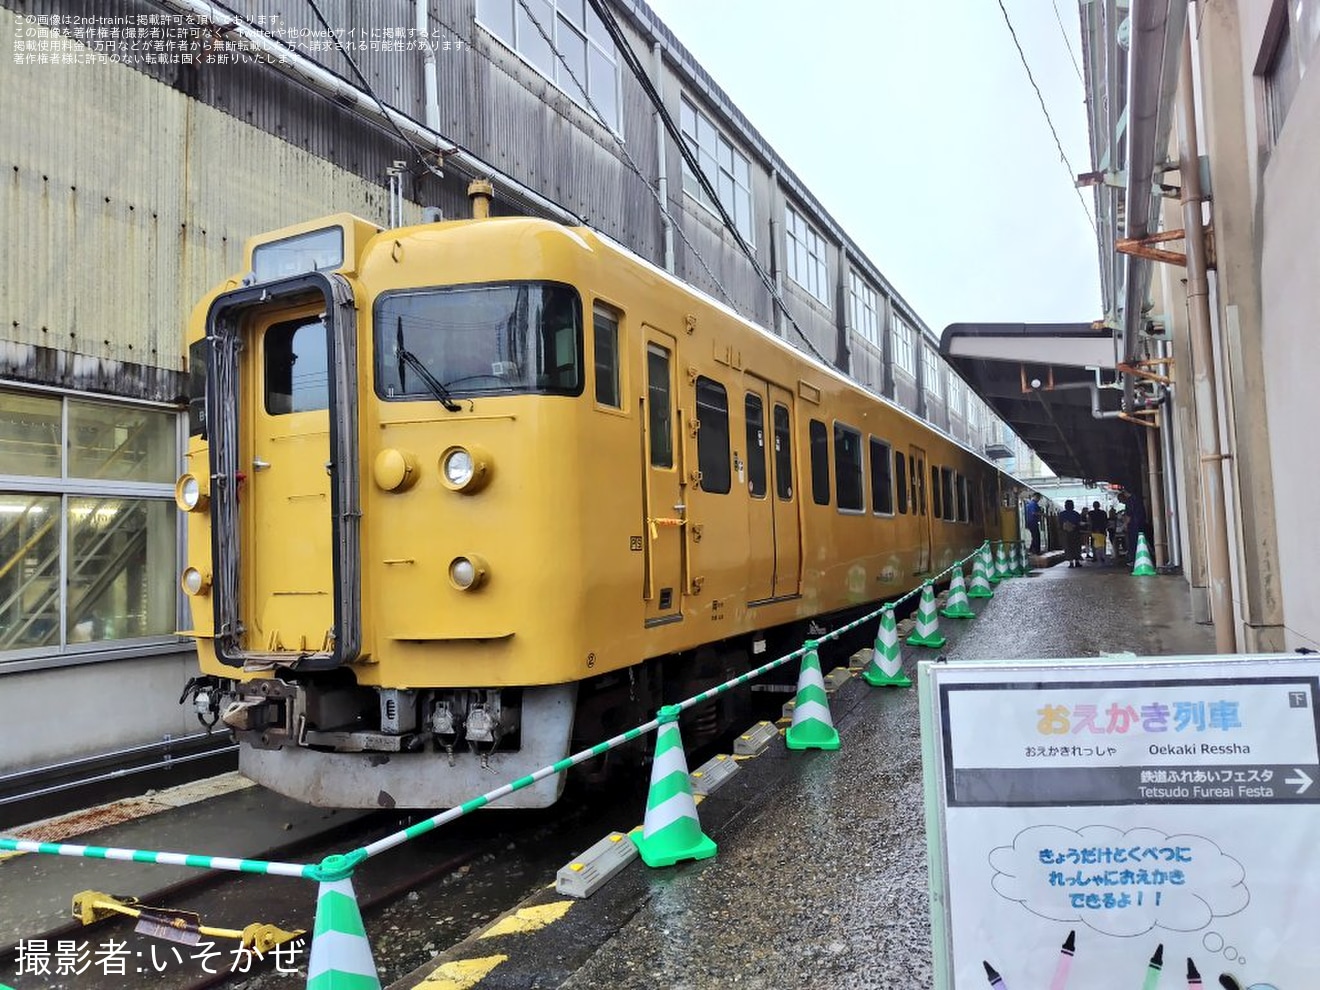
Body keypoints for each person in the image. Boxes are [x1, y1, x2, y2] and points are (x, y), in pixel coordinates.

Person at [1059, 499, 1083, 568]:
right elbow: (1079, 524)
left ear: (1065, 506)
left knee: (1068, 547)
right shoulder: (1076, 513)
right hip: (1075, 533)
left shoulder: (1062, 514)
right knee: (1076, 547)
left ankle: (1071, 563)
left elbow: (1060, 524)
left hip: (1066, 533)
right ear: (1073, 506)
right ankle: (1077, 562)